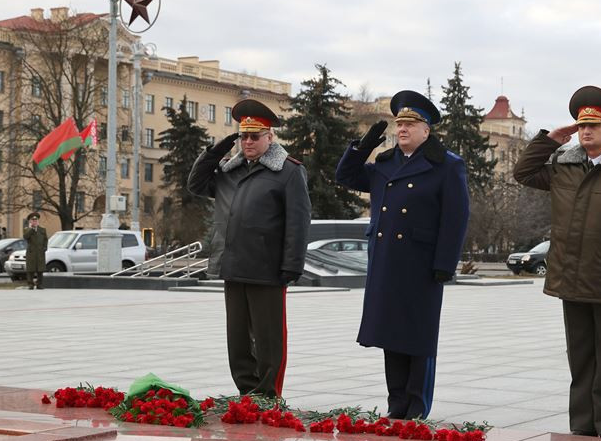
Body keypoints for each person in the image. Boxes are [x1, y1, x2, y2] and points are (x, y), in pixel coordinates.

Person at [513, 85, 601, 438]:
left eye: (594, 125)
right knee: (579, 357)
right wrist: (550, 139)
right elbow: (523, 172)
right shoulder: (564, 165)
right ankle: (581, 427)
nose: (586, 131)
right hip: (570, 277)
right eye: (581, 126)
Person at [335, 90, 469, 420]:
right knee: (389, 335)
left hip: (421, 265)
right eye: (399, 124)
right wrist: (363, 147)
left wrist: (445, 263)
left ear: (426, 130)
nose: (403, 129)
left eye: (410, 124)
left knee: (418, 337)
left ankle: (417, 406)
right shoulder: (385, 164)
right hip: (386, 261)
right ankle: (396, 404)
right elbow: (346, 176)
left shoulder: (446, 165)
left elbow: (455, 218)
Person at [188, 99, 311, 396]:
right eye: (243, 136)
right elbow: (196, 184)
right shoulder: (230, 171)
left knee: (269, 337)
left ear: (270, 137)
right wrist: (215, 152)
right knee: (238, 339)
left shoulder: (288, 172)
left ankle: (268, 395)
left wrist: (292, 265)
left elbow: (298, 221)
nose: (248, 142)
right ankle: (247, 392)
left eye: (255, 136)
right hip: (233, 265)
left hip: (267, 268)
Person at [23, 212, 48, 290]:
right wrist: (32, 229)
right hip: (31, 252)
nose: (35, 221)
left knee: (40, 269)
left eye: (36, 220)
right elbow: (25, 237)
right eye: (33, 220)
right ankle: (30, 284)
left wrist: (45, 248)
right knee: (30, 269)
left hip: (40, 252)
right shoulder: (27, 229)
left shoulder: (42, 229)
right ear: (30, 221)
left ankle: (39, 284)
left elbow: (45, 239)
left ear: (38, 221)